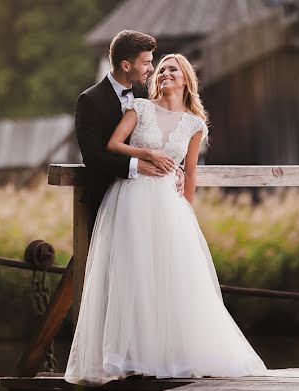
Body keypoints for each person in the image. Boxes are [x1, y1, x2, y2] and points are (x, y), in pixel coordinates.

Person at [65, 53, 267, 385]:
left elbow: (190, 174)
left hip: (167, 205)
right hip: (130, 198)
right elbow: (113, 145)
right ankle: (128, 358)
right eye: (160, 70)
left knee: (170, 276)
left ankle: (168, 355)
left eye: (171, 69)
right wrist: (147, 154)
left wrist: (185, 212)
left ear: (186, 78)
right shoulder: (140, 108)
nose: (163, 74)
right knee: (133, 273)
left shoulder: (194, 124)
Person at [73, 30, 182, 240]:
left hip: (150, 199)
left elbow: (165, 137)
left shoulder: (147, 95)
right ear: (126, 65)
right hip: (106, 199)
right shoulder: (90, 101)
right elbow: (92, 157)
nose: (152, 69)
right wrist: (137, 165)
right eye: (146, 63)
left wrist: (180, 169)